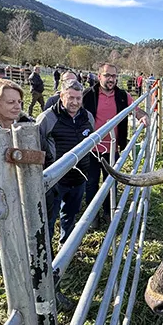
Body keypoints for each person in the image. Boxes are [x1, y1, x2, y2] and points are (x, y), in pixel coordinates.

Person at [84, 63, 148, 226]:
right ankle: (92, 216)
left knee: (110, 181)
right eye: (107, 75)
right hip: (91, 148)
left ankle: (108, 211)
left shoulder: (122, 96)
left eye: (114, 76)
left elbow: (136, 109)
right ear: (99, 77)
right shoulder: (88, 95)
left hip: (112, 148)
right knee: (91, 182)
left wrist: (143, 116)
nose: (111, 79)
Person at [37, 80, 92, 248]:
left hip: (79, 176)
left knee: (70, 214)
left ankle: (66, 248)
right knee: (50, 218)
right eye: (70, 98)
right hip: (55, 180)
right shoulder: (47, 118)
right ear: (61, 96)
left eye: (78, 98)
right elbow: (36, 145)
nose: (75, 102)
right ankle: (46, 254)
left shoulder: (87, 117)